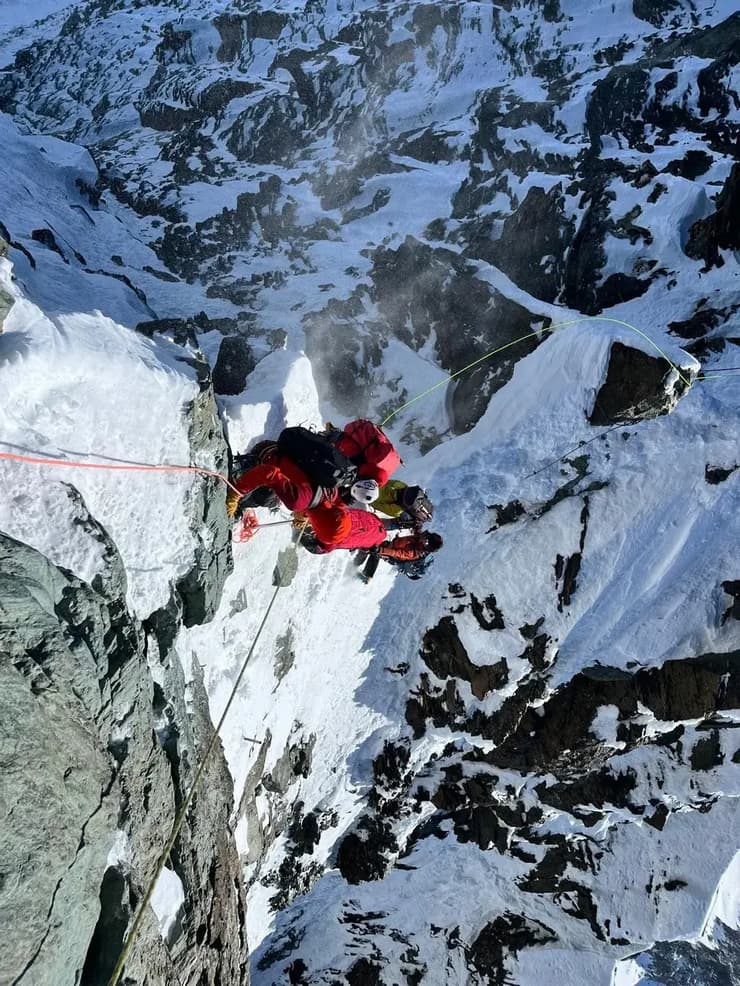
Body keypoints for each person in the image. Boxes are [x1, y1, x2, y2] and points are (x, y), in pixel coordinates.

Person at [299, 500, 388, 554]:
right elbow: (346, 540)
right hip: (338, 532)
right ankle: (300, 535)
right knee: (322, 546)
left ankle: (305, 521)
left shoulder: (377, 521)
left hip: (341, 515)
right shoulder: (372, 544)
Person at [357, 530, 443, 582]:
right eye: (428, 537)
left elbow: (397, 553)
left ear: (427, 546)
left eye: (427, 541)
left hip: (392, 554)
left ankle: (366, 575)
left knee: (375, 552)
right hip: (392, 544)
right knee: (375, 549)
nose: (425, 538)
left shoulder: (414, 552)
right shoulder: (420, 539)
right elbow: (416, 535)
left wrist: (381, 550)